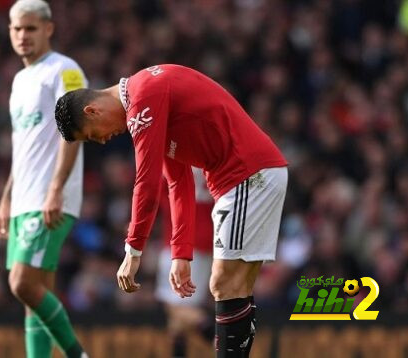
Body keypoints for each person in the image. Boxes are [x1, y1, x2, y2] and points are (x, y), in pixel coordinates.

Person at [54, 64, 288, 357]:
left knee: (224, 284)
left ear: (92, 111)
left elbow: (147, 182)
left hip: (246, 174)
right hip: (244, 176)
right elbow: (178, 183)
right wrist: (180, 253)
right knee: (233, 287)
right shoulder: (150, 100)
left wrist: (133, 251)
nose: (102, 140)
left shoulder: (143, 97)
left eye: (92, 135)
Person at [0, 1, 87, 357]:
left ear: (49, 28)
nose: (22, 36)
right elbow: (23, 145)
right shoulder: (20, 80)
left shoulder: (65, 70)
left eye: (30, 28)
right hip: (23, 199)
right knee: (35, 295)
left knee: (21, 283)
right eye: (16, 29)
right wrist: (6, 199)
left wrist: (56, 189)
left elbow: (74, 130)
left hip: (50, 198)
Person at [156, 168, 214, 357]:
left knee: (175, 308)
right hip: (207, 237)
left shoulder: (173, 159)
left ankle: (224, 342)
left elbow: (151, 191)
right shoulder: (208, 159)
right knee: (178, 319)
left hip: (180, 239)